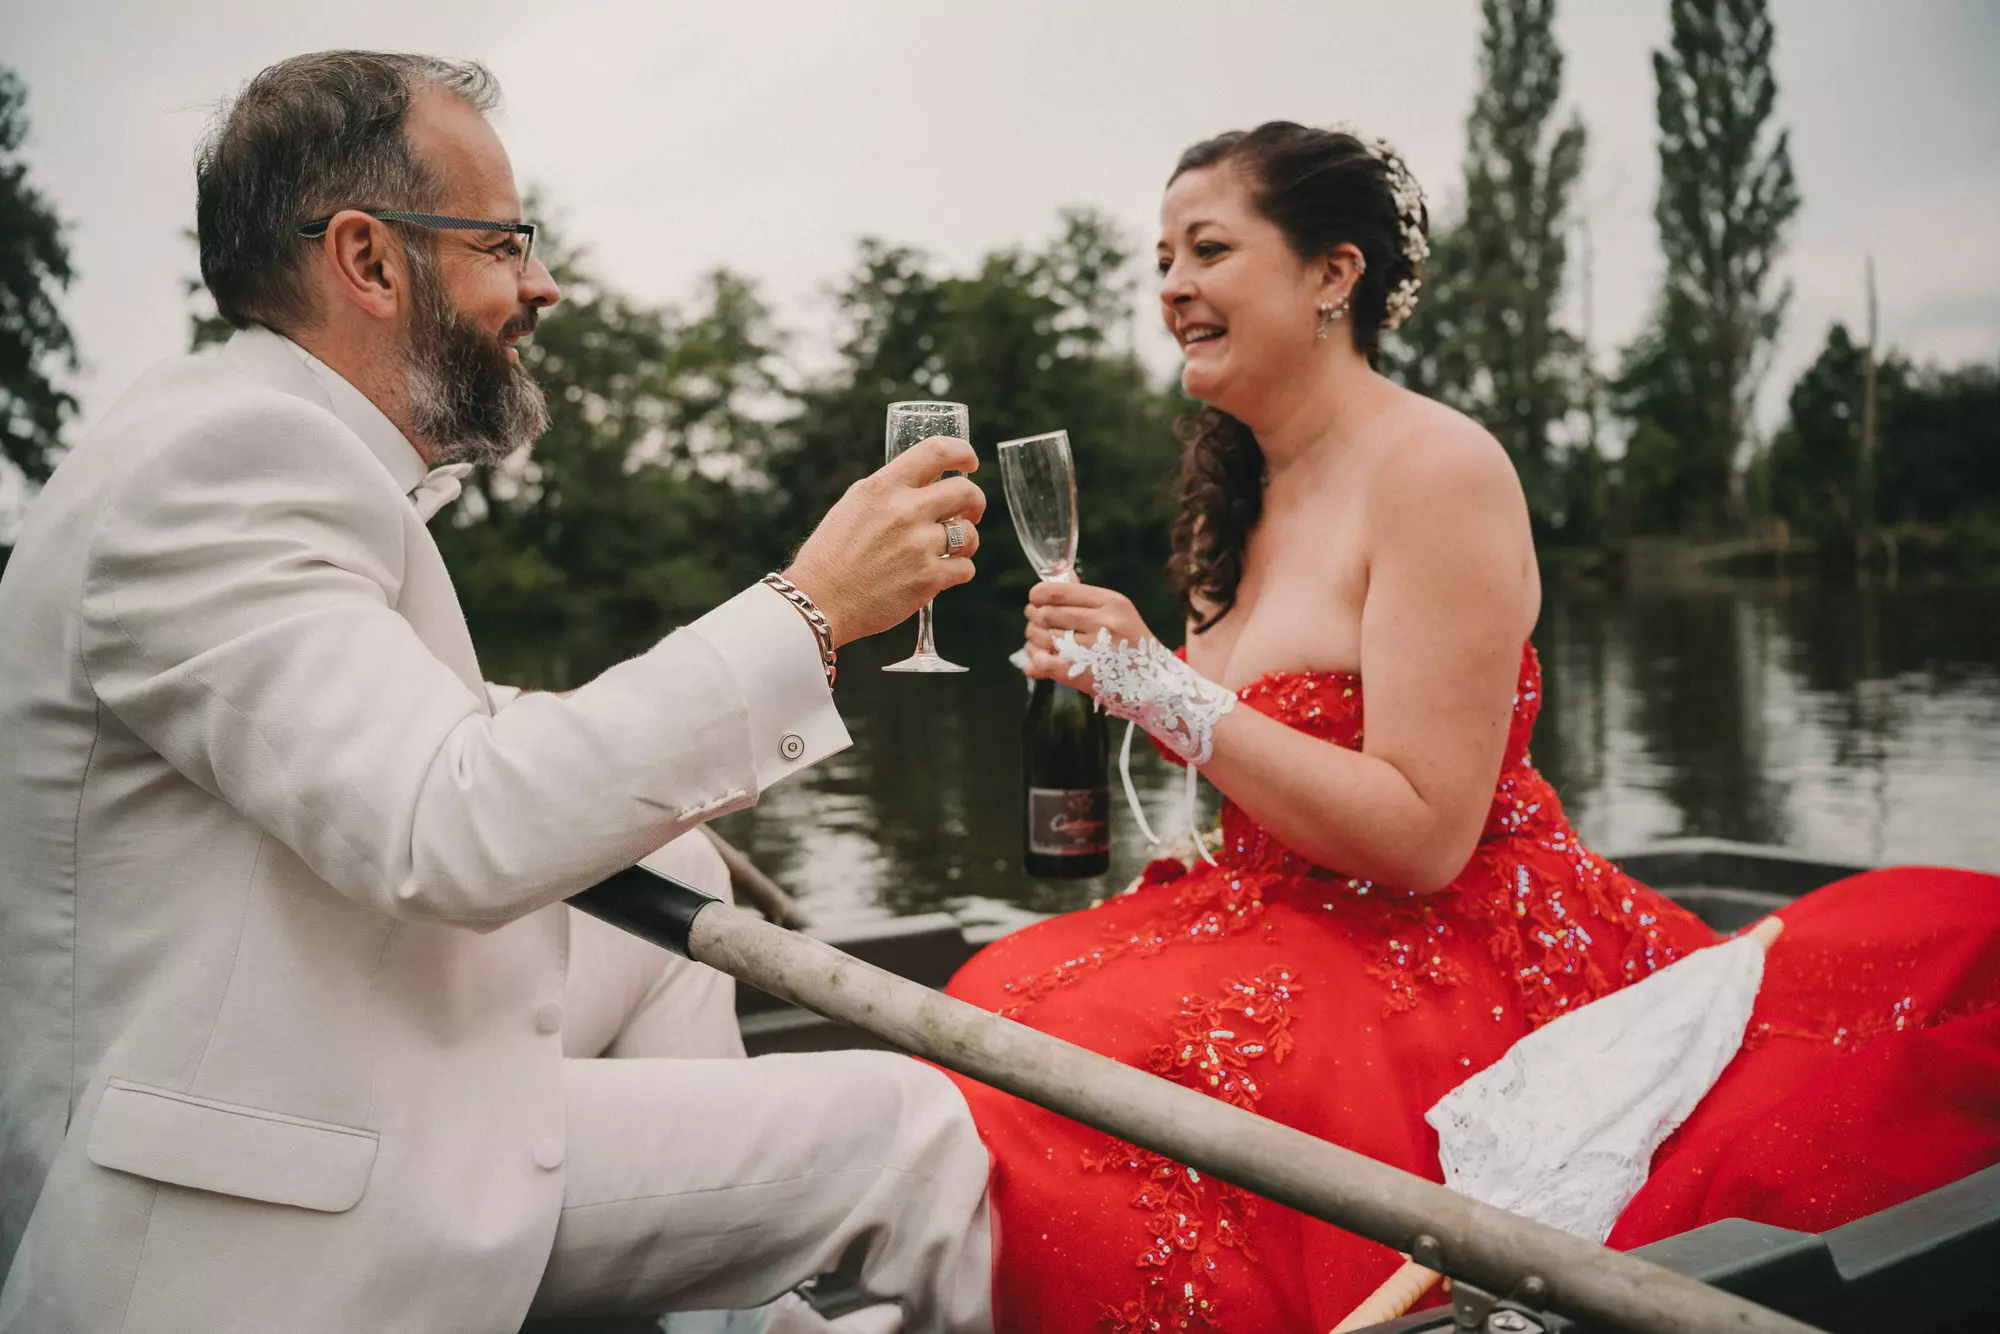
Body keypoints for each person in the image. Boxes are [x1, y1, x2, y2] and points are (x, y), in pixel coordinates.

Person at [941, 121, 2000, 1332]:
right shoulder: (1230, 499)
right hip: (1276, 912)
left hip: (1449, 935)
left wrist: (1164, 691)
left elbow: (1424, 836)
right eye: (1160, 257)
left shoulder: (1437, 468)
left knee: (1090, 1046)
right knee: (997, 992)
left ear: (1332, 274)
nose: (1171, 284)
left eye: (1208, 248)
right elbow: (1249, 766)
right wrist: (1116, 689)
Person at [0, 52, 995, 1334]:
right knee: (916, 1125)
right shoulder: (224, 464)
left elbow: (362, 730)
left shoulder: (249, 440)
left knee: (678, 865)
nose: (542, 284)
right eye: (505, 242)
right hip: (252, 1203)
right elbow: (444, 827)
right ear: (367, 260)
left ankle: (734, 1315)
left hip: (296, 1046)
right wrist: (810, 607)